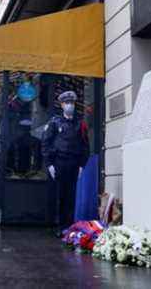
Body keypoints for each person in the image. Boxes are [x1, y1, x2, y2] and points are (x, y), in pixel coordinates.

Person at [42, 91, 89, 236]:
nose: (70, 105)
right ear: (62, 105)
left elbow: (85, 145)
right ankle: (56, 226)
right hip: (58, 163)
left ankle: (69, 227)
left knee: (70, 196)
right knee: (58, 196)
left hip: (73, 164)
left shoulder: (80, 123)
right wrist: (49, 164)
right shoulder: (54, 122)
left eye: (72, 103)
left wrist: (82, 165)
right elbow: (46, 143)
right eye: (67, 103)